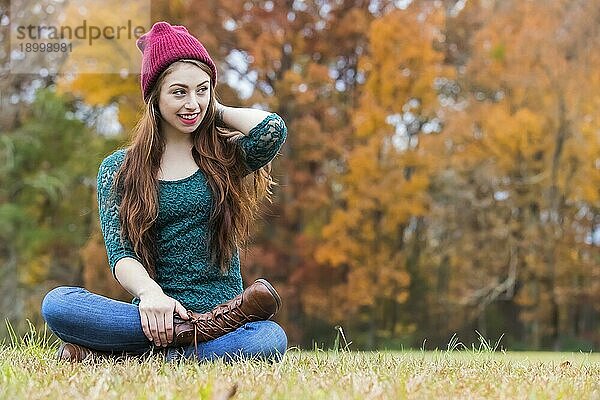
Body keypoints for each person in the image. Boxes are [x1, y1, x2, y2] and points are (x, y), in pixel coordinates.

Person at [41, 21, 288, 363]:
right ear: (154, 95)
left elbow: (272, 131)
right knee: (57, 304)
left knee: (269, 339)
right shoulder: (119, 169)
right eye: (179, 92)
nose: (192, 103)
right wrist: (150, 294)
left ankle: (136, 357)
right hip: (151, 317)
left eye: (202, 89)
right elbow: (121, 254)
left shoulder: (224, 157)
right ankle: (182, 341)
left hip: (228, 320)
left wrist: (213, 108)